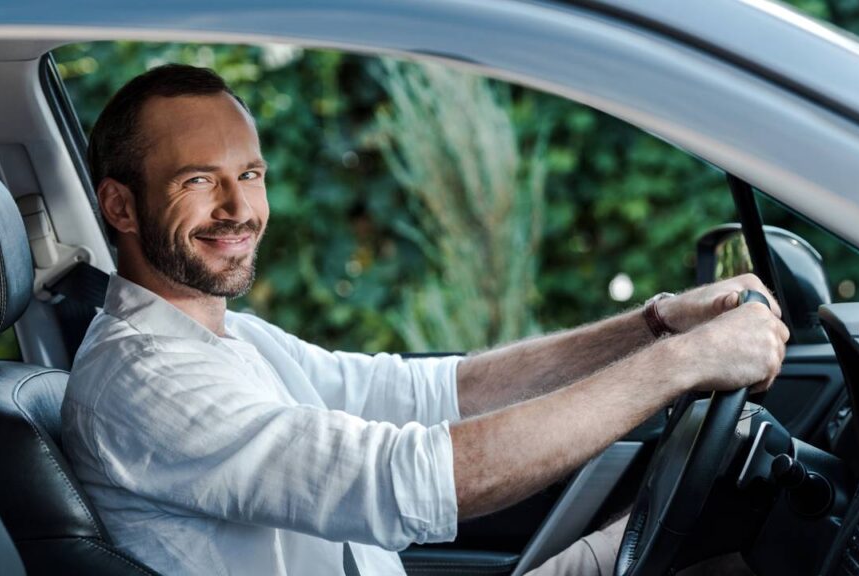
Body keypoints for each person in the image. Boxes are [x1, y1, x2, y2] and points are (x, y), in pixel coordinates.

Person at [61, 64, 789, 576]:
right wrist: (682, 366)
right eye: (198, 181)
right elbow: (405, 481)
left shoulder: (224, 338)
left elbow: (434, 393)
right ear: (120, 207)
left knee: (721, 540)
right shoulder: (146, 380)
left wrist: (656, 327)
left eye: (249, 174)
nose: (239, 209)